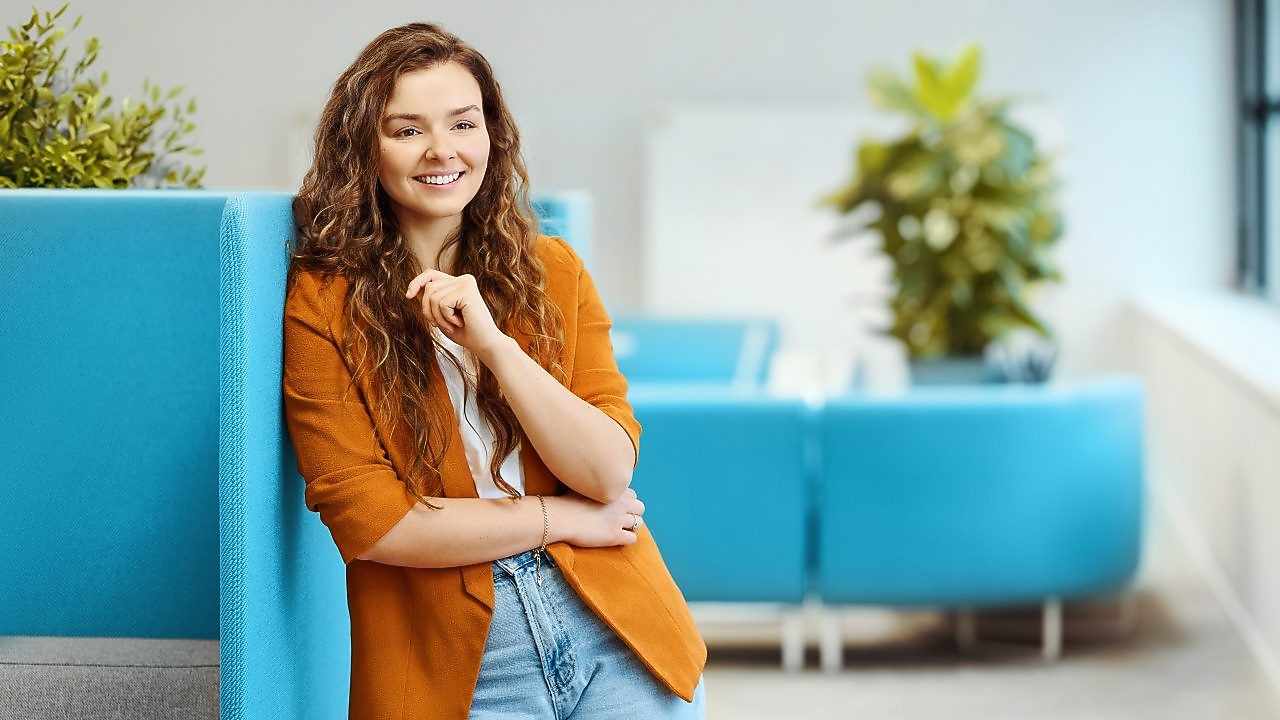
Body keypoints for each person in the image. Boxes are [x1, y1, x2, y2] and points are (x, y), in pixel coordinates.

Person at [283, 22, 707, 720]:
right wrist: (558, 517)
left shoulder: (554, 272)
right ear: (364, 147)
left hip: (614, 625)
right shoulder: (323, 302)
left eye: (463, 123)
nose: (442, 150)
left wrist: (496, 348)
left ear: (492, 135)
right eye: (407, 130)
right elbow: (376, 525)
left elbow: (607, 473)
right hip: (454, 661)